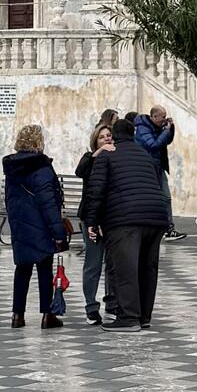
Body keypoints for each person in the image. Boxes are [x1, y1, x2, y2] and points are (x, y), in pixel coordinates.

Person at [81, 115, 171, 329]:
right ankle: (144, 317)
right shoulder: (144, 154)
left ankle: (128, 318)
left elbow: (96, 191)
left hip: (125, 220)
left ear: (115, 135)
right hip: (155, 218)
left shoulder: (108, 155)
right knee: (147, 269)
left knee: (125, 269)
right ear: (133, 134)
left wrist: (92, 221)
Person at [1, 123, 68, 329]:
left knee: (22, 270)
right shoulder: (42, 168)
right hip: (41, 227)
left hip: (20, 226)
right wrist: (59, 233)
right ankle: (48, 315)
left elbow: (9, 200)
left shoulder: (12, 169)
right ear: (39, 142)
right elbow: (48, 204)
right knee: (44, 270)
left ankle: (17, 315)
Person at [75, 120, 120, 324]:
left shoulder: (117, 156)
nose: (106, 139)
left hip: (112, 217)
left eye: (108, 136)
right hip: (91, 217)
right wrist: (99, 152)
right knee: (93, 263)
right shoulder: (89, 158)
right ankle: (91, 307)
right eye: (102, 137)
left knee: (113, 264)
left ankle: (112, 303)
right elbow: (80, 171)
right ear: (95, 141)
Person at [135, 104, 184, 239]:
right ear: (154, 116)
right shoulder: (142, 128)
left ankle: (169, 229)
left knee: (166, 198)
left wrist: (170, 129)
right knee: (151, 199)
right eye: (162, 117)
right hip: (148, 168)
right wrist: (165, 131)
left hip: (159, 166)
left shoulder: (157, 127)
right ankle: (152, 228)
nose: (164, 119)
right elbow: (153, 145)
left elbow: (166, 142)